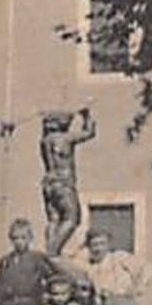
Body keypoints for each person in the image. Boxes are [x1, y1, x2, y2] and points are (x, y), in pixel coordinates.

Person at [40, 108, 96, 256]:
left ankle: (50, 249)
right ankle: (52, 251)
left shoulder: (45, 141)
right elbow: (89, 133)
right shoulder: (65, 138)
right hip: (64, 182)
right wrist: (87, 116)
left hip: (48, 183)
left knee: (54, 219)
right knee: (72, 218)